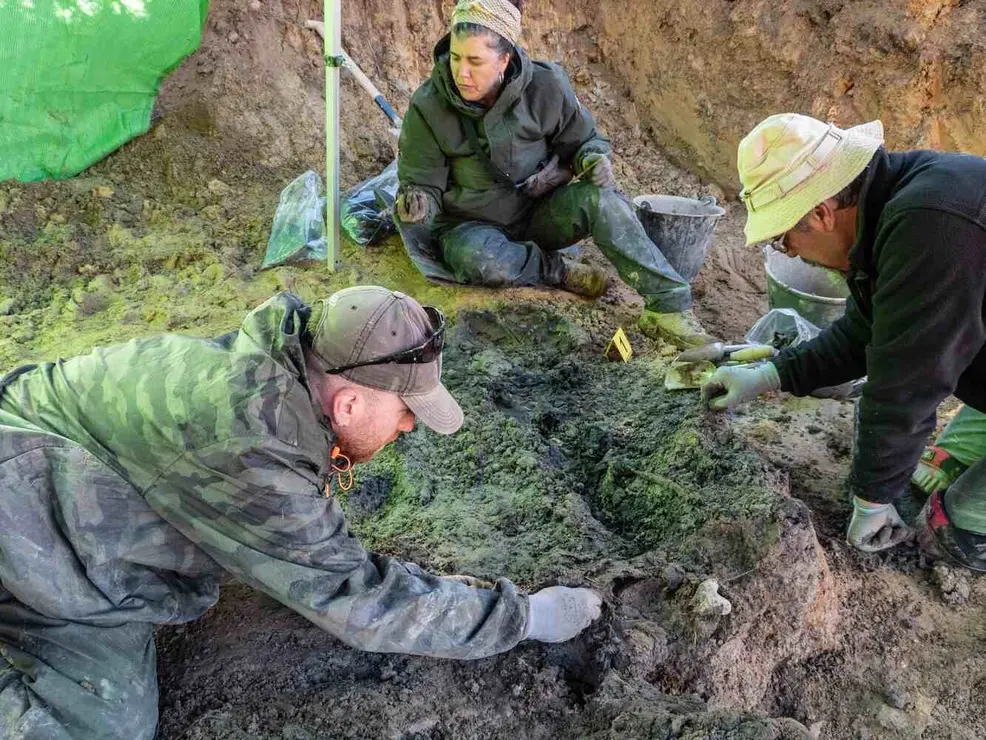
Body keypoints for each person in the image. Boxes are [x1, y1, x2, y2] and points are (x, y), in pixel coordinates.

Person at [0, 286, 602, 739]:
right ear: (347, 403)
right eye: (405, 410)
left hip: (62, 503)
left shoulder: (278, 368)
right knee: (103, 726)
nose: (411, 424)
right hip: (29, 530)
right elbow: (362, 600)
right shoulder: (250, 445)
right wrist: (524, 617)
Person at [701, 113, 986, 568]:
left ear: (821, 213)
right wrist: (769, 374)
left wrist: (872, 498)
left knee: (956, 529)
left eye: (783, 239)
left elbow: (906, 382)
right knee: (930, 471)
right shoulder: (894, 206)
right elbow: (864, 335)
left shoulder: (933, 226)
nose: (789, 252)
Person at [395, 0, 712, 348]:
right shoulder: (428, 105)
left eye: (475, 61)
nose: (462, 73)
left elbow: (584, 140)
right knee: (480, 262)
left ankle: (667, 307)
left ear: (504, 60)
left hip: (538, 213)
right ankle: (555, 270)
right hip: (470, 228)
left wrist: (593, 159)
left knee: (602, 199)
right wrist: (418, 202)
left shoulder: (545, 86)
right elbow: (422, 180)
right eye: (455, 58)